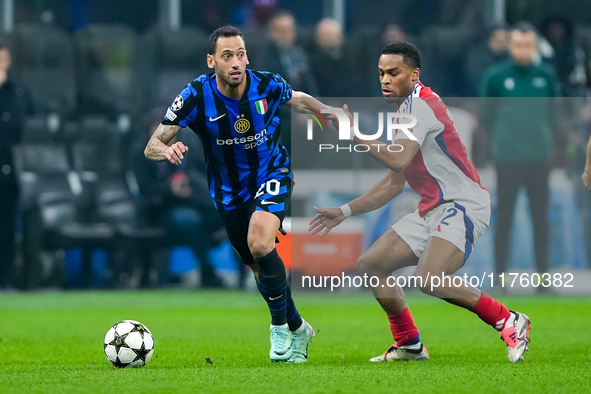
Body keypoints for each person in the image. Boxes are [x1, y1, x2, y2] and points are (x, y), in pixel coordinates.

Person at [309, 41, 531, 363]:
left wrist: (354, 133)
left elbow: (397, 161)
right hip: (433, 207)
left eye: (393, 73)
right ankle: (409, 344)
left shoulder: (420, 107)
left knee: (430, 279)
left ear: (414, 75)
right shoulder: (405, 110)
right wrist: (343, 211)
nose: (384, 80)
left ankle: (508, 319)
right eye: (381, 73)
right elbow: (393, 183)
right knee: (372, 265)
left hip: (462, 204)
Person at [144, 25, 334, 363]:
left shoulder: (266, 84)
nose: (236, 62)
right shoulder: (195, 95)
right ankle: (297, 326)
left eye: (241, 54)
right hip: (229, 193)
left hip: (272, 173)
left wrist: (328, 113)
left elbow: (298, 100)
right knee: (260, 268)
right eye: (227, 55)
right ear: (211, 60)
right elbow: (153, 144)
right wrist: (166, 151)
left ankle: (278, 329)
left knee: (261, 243)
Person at [479, 22, 559, 279]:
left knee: (540, 217)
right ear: (510, 46)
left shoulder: (545, 76)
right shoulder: (496, 76)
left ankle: (543, 276)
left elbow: (554, 114)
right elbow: (486, 116)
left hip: (538, 157)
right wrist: (502, 140)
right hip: (508, 158)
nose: (523, 50)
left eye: (528, 45)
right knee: (504, 217)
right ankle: (500, 275)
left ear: (534, 46)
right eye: (518, 45)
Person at [132, 114, 225, 288]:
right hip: (160, 209)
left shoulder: (187, 150)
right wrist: (170, 189)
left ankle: (251, 272)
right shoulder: (142, 153)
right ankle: (207, 270)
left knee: (228, 212)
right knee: (189, 220)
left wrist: (190, 187)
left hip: (193, 202)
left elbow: (202, 176)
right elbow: (146, 189)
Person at [0, 44, 32, 289]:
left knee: (7, 229)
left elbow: (28, 126)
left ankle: (7, 278)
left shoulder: (19, 92)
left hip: (10, 171)